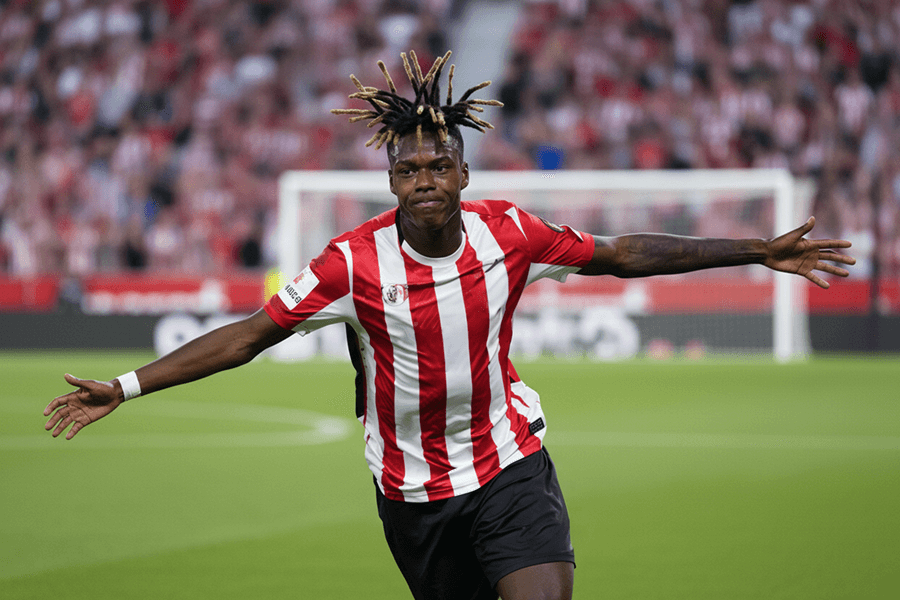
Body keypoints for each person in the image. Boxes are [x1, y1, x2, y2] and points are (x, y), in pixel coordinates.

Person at [44, 50, 855, 600]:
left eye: (439, 165)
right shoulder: (350, 264)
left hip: (510, 464)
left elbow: (622, 252)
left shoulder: (511, 233)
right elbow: (249, 334)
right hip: (412, 491)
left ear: (464, 171)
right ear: (390, 180)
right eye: (408, 169)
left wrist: (754, 249)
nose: (425, 178)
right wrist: (125, 385)